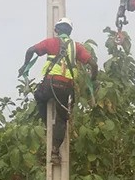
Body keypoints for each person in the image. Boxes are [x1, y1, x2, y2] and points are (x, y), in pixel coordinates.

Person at [18, 18, 98, 164]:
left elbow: (31, 50)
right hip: (66, 88)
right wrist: (93, 79)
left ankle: (46, 123)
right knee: (62, 119)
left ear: (57, 30)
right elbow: (93, 64)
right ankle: (55, 152)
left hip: (49, 84)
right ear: (70, 31)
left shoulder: (50, 43)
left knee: (39, 97)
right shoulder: (77, 47)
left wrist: (25, 65)